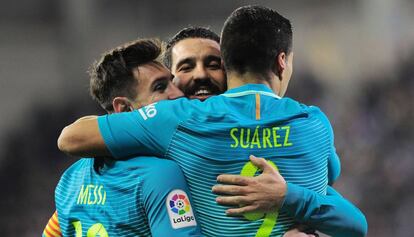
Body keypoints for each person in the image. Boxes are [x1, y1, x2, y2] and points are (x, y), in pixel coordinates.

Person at [57, 8, 368, 236]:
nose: (201, 75)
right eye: (186, 67)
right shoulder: (163, 150)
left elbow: (350, 218)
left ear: (229, 67)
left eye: (212, 64)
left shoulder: (174, 133)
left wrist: (288, 196)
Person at [43, 39, 202, 237]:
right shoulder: (160, 175)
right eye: (160, 87)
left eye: (173, 82)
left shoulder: (70, 179)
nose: (178, 94)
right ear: (125, 109)